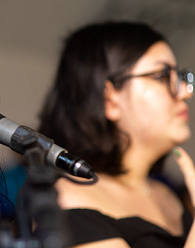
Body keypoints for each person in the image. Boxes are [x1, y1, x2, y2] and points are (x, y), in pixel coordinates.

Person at [38, 21, 195, 247]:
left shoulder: (166, 195)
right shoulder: (70, 198)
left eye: (179, 77)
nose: (183, 92)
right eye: (162, 76)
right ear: (110, 99)